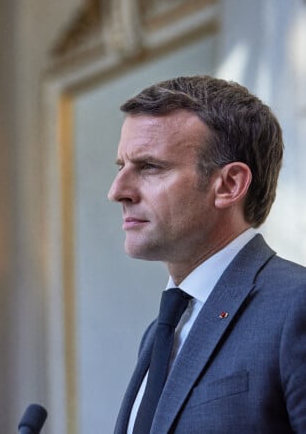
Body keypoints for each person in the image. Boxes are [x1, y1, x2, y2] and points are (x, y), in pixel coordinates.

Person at [109, 75, 306, 433]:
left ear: (229, 185)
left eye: (150, 167)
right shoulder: (160, 332)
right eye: (121, 167)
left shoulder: (296, 305)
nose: (118, 191)